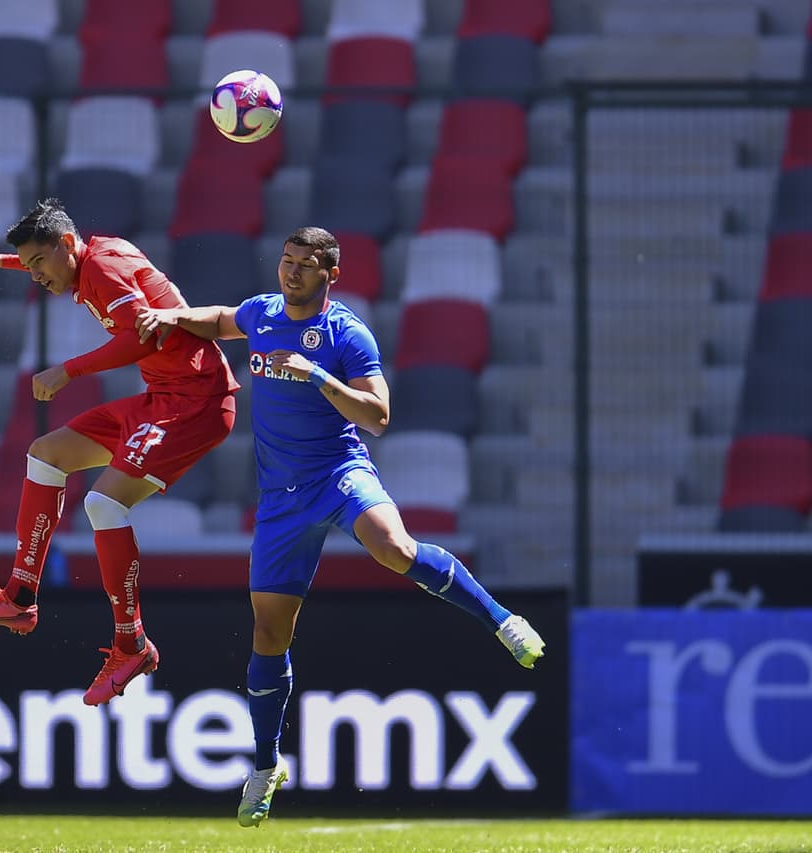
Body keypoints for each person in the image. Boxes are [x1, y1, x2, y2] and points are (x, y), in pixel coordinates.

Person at [133, 226, 546, 827]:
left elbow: (378, 416)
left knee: (394, 547)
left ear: (332, 275)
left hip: (339, 473)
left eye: (306, 265)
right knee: (269, 634)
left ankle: (503, 621)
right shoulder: (263, 313)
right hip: (281, 499)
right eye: (287, 260)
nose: (291, 272)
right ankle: (266, 764)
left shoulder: (345, 333)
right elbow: (222, 319)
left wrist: (317, 376)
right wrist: (173, 318)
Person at [0, 199, 239, 706]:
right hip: (160, 397)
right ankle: (20, 597)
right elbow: (127, 317)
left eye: (38, 263)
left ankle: (132, 643)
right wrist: (3, 261)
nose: (35, 275)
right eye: (28, 265)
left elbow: (140, 340)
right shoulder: (96, 258)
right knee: (46, 454)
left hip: (196, 403)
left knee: (103, 504)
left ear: (68, 245)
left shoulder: (102, 268)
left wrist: (66, 371)